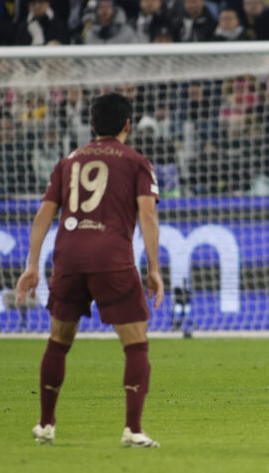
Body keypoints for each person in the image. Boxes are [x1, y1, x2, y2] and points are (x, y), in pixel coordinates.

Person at [15, 93, 163, 448]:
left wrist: (32, 265)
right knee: (136, 343)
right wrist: (154, 269)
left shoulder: (68, 161)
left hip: (68, 257)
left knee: (59, 341)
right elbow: (147, 214)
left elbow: (43, 216)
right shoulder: (135, 161)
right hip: (112, 259)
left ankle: (46, 424)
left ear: (92, 125)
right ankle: (133, 429)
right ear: (128, 125)